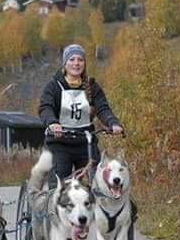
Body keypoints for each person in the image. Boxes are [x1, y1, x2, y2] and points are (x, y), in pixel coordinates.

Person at [39, 43, 123, 185]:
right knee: (59, 188)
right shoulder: (53, 86)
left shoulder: (92, 87)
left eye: (80, 60)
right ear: (65, 63)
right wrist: (52, 122)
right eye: (72, 60)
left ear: (84, 63)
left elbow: (102, 108)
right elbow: (45, 107)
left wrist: (112, 123)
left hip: (86, 143)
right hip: (59, 143)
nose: (76, 63)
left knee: (95, 185)